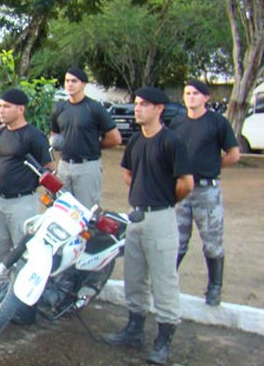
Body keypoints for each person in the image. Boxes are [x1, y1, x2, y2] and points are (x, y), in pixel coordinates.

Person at [102, 87, 193, 366]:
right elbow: (128, 172)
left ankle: (163, 341)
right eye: (137, 103)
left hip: (161, 217)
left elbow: (185, 184)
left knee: (164, 280)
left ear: (159, 109)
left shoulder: (171, 142)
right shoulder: (137, 141)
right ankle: (134, 329)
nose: (137, 109)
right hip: (136, 216)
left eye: (144, 105)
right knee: (135, 276)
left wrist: (163, 200)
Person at [171, 79, 240, 306]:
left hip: (206, 191)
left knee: (212, 240)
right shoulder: (177, 123)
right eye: (187, 93)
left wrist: (212, 166)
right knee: (177, 240)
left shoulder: (217, 123)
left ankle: (214, 288)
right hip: (181, 189)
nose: (191, 97)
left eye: (195, 94)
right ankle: (168, 282)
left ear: (206, 98)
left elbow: (233, 154)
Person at [0, 89, 54, 324]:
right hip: (0, 202)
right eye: (0, 106)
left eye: (6, 106)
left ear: (21, 109)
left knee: (23, 256)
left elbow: (49, 168)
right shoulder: (2, 133)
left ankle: (25, 308)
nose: (1, 110)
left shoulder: (34, 136)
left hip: (23, 203)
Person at [50, 67, 121, 208]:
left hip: (87, 166)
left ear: (83, 84)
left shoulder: (94, 108)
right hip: (64, 166)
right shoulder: (60, 108)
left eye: (74, 81)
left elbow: (115, 138)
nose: (69, 84)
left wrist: (94, 145)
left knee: (86, 211)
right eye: (67, 81)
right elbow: (54, 134)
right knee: (62, 210)